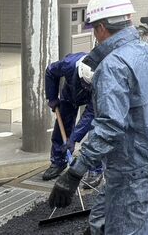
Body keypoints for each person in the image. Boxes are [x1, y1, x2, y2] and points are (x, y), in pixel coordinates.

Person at [48, 0, 148, 235]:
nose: (94, 34)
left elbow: (109, 127)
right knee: (101, 218)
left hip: (130, 165)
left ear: (102, 28)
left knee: (129, 226)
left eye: (94, 28)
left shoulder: (113, 66)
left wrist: (74, 174)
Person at [42, 52, 103, 189]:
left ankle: (95, 170)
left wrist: (74, 138)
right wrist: (52, 97)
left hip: (94, 98)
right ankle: (59, 161)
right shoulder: (69, 65)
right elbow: (50, 72)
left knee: (96, 130)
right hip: (70, 93)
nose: (87, 87)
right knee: (62, 123)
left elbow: (91, 113)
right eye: (85, 85)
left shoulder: (101, 77)